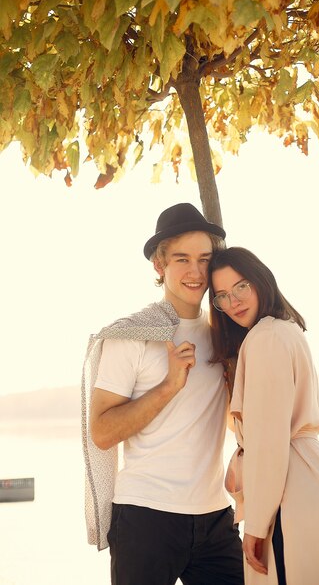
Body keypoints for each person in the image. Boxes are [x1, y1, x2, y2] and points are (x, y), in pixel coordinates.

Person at [81, 203, 244, 585]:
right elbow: (102, 432)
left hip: (215, 516)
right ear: (160, 265)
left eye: (205, 259)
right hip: (145, 517)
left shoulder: (227, 334)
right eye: (182, 259)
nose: (195, 271)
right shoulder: (133, 335)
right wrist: (169, 386)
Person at [208, 247, 319, 585]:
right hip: (316, 483)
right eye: (222, 295)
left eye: (241, 286)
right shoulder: (285, 329)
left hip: (291, 499)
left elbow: (268, 443)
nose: (233, 301)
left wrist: (255, 525)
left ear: (261, 280)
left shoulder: (265, 338)